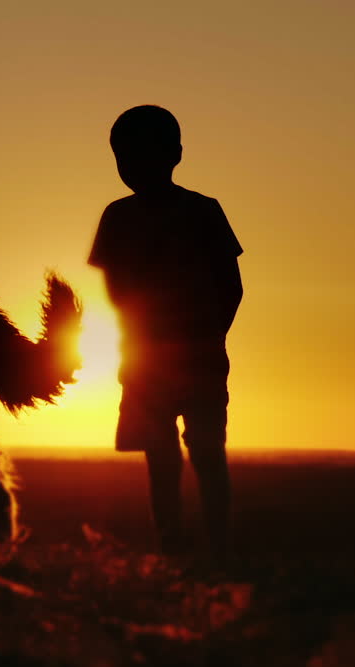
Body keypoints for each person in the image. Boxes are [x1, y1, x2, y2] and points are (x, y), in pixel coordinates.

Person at [88, 105, 244, 563]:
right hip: (151, 358)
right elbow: (117, 292)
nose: (131, 167)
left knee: (205, 453)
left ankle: (213, 546)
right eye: (123, 157)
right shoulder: (118, 217)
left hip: (188, 356)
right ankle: (176, 546)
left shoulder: (202, 211)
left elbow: (230, 287)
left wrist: (207, 337)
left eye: (139, 155)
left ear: (174, 154)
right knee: (165, 455)